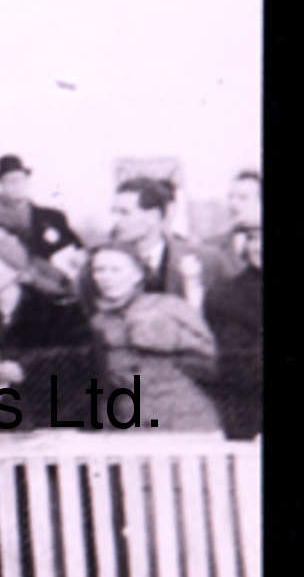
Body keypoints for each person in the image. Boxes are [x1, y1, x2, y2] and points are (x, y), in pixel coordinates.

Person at [0, 232, 90, 424]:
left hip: (54, 418)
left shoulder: (57, 311)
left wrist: (26, 369)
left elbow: (79, 360)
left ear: (15, 270)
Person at [86, 242, 222, 432]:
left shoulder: (169, 306)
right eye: (99, 270)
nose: (106, 277)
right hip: (129, 421)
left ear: (138, 274)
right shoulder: (99, 321)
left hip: (184, 417)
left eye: (115, 270)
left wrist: (170, 337)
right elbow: (103, 384)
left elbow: (211, 359)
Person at [85, 176, 203, 313]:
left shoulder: (200, 260)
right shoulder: (97, 263)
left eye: (124, 212)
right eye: (114, 212)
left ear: (153, 216)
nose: (115, 220)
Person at [204, 220, 262, 438]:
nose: (258, 247)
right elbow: (237, 365)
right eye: (254, 238)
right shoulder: (227, 296)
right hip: (252, 418)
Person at [0, 153, 83, 265]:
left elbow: (78, 250)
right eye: (8, 181)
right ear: (0, 186)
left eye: (19, 179)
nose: (15, 185)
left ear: (27, 181)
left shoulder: (53, 217)